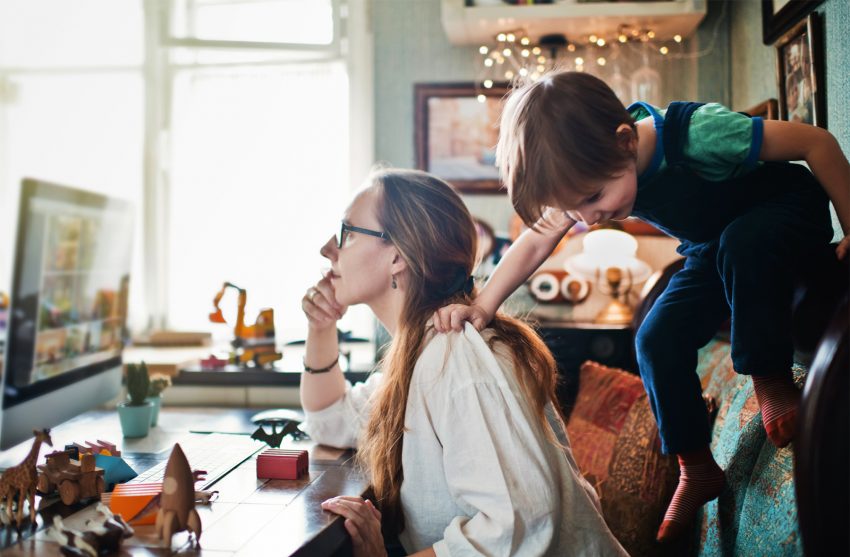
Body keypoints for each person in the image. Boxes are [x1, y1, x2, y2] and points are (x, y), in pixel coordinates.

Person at [432, 70, 850, 542]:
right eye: (573, 211)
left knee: (741, 243)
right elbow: (535, 242)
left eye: (593, 199)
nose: (586, 220)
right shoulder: (593, 170)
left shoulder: (695, 134)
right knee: (655, 338)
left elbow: (816, 143)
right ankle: (694, 466)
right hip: (715, 247)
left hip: (785, 213)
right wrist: (484, 305)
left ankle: (771, 382)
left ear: (626, 140)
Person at [299, 168, 628, 557]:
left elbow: (518, 525)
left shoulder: (455, 356)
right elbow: (330, 420)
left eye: (347, 232)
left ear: (398, 257)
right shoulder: (420, 351)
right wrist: (321, 327)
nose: (328, 249)